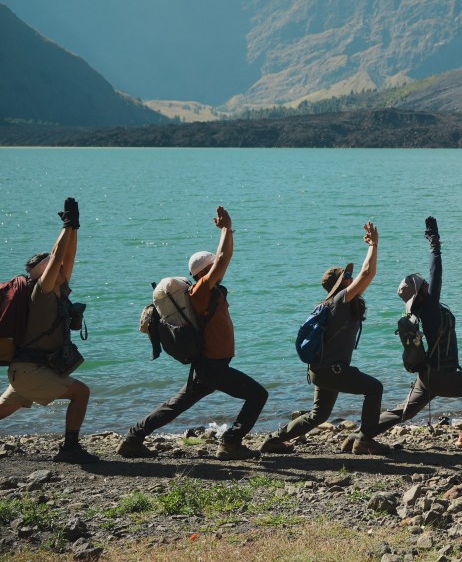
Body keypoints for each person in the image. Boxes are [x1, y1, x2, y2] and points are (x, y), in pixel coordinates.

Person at [118, 206, 267, 461]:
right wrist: (226, 230)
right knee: (257, 395)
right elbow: (223, 258)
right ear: (206, 271)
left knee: (177, 405)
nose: (220, 272)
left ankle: (133, 438)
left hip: (209, 364)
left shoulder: (208, 290)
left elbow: (221, 261)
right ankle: (230, 443)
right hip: (212, 364)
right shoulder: (202, 290)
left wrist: (227, 231)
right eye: (213, 269)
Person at [368, 216, 462, 453]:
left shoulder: (421, 310)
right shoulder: (429, 307)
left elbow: (433, 279)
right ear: (423, 290)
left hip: (427, 375)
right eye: (425, 284)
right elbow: (436, 271)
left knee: (402, 411)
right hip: (442, 376)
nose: (429, 283)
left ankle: (361, 435)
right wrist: (434, 245)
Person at [260, 222, 387, 455]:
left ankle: (273, 440)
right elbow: (368, 272)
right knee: (374, 389)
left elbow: (366, 276)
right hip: (332, 371)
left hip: (321, 370)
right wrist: (373, 245)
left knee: (319, 415)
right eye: (348, 275)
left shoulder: (337, 304)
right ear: (341, 284)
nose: (352, 277)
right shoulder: (340, 301)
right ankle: (365, 440)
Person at [0, 197, 97, 463]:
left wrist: (74, 228)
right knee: (81, 393)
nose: (65, 269)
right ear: (46, 274)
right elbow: (57, 256)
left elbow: (67, 256)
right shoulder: (42, 293)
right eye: (57, 270)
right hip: (30, 372)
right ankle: (70, 449)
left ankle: (71, 448)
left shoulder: (58, 289)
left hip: (29, 370)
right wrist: (66, 226)